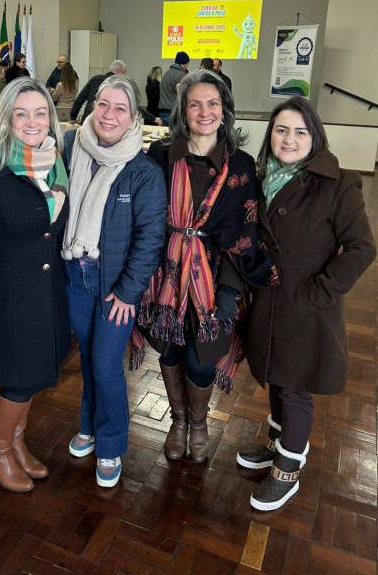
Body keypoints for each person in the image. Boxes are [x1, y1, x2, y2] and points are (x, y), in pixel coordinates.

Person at [237, 97, 375, 511]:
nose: (289, 139)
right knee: (277, 378)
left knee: (295, 388)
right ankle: (278, 443)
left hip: (307, 304)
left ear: (315, 136)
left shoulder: (338, 184)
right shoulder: (263, 178)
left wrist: (320, 292)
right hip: (269, 300)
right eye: (281, 130)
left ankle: (288, 470)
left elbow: (362, 248)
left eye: (300, 131)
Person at [136, 70, 277, 465]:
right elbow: (145, 218)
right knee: (170, 351)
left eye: (213, 103)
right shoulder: (161, 155)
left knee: (202, 359)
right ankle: (178, 421)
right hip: (164, 276)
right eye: (195, 104)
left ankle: (198, 423)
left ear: (224, 110)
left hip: (216, 280)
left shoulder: (241, 166)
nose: (204, 112)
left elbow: (245, 232)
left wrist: (230, 292)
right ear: (182, 110)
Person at [0, 78, 71, 493]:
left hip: (46, 290)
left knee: (36, 374)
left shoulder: (56, 161)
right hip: (6, 294)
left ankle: (17, 443)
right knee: (21, 378)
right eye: (20, 113)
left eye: (40, 113)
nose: (32, 121)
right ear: (4, 117)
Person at [62, 76, 166, 488]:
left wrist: (128, 291)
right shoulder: (72, 149)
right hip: (75, 274)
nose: (109, 114)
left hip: (115, 286)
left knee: (106, 365)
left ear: (134, 117)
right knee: (89, 360)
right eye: (103, 104)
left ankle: (110, 443)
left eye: (120, 108)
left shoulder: (143, 172)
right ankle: (88, 426)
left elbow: (150, 237)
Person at [69, 59, 127, 123]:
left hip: (88, 119)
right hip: (105, 120)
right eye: (124, 73)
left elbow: (80, 99)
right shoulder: (119, 84)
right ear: (120, 71)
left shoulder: (95, 79)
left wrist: (73, 117)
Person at [158, 51, 189, 125]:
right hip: (174, 112)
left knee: (165, 132)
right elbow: (184, 94)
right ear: (185, 63)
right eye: (188, 63)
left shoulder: (166, 73)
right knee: (175, 132)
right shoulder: (181, 75)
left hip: (163, 111)